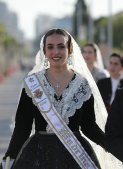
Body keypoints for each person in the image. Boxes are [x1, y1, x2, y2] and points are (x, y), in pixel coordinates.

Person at [0, 28, 114, 169]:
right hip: (38, 156)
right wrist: (10, 157)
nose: (55, 52)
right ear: (44, 51)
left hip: (76, 157)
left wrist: (112, 145)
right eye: (50, 47)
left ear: (70, 49)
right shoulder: (32, 83)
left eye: (61, 46)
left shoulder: (82, 84)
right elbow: (22, 127)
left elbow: (88, 125)